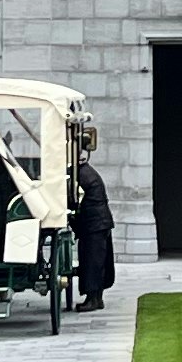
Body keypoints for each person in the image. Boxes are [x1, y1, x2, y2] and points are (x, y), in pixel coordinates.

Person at [69, 121, 117, 308]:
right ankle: (95, 298)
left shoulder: (82, 175)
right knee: (95, 261)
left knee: (92, 261)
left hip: (94, 224)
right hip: (98, 223)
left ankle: (93, 299)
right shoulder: (86, 172)